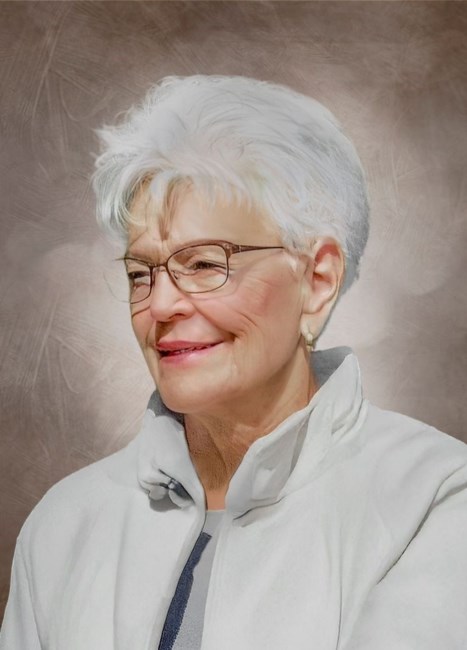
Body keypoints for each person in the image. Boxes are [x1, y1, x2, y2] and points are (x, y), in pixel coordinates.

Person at [1, 75, 467, 650]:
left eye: (203, 264)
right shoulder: (64, 525)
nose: (160, 305)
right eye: (140, 273)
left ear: (318, 279)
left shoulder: (433, 501)